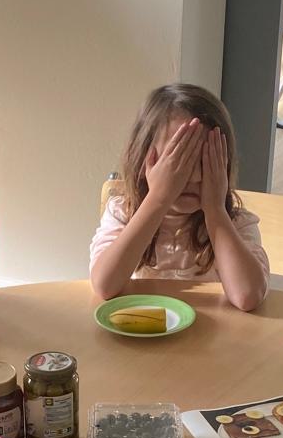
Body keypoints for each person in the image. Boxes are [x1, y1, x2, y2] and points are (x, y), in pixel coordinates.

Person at [89, 83, 269, 310]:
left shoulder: (236, 223)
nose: (194, 177)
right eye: (179, 162)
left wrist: (215, 211)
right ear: (143, 158)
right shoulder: (123, 213)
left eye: (204, 162)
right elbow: (105, 286)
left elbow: (248, 297)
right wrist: (158, 199)